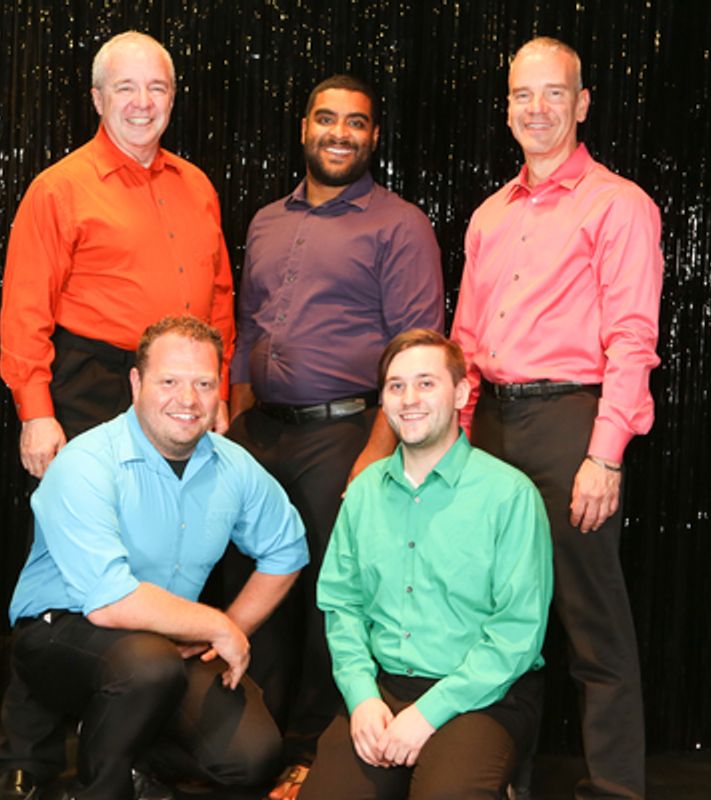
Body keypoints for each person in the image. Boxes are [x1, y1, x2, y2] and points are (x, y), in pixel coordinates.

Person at [451, 37, 664, 800]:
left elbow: (632, 338)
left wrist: (604, 455)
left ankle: (615, 789)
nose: (536, 109)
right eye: (522, 95)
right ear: (506, 107)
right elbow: (464, 342)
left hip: (571, 423)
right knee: (497, 620)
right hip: (491, 425)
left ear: (582, 104)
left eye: (553, 93)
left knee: (591, 620)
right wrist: (455, 442)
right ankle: (501, 779)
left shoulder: (619, 204)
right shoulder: (488, 215)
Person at [226, 74, 444, 797]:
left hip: (345, 434)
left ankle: (312, 751)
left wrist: (374, 454)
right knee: (253, 589)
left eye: (355, 122)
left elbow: (415, 347)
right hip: (259, 434)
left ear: (374, 136)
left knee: (332, 600)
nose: (339, 133)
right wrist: (234, 429)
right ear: (304, 128)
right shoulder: (266, 220)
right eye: (327, 118)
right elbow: (248, 330)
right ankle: (244, 747)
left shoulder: (400, 225)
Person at [0, 316, 308, 800]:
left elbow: (286, 549)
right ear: (136, 384)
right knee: (147, 665)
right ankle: (98, 790)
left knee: (252, 756)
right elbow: (109, 602)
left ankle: (130, 754)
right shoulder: (87, 462)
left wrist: (229, 626)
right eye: (170, 382)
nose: (188, 400)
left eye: (204, 384)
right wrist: (217, 626)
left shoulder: (233, 465)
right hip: (61, 633)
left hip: (164, 642)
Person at [301, 329, 552, 799]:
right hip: (384, 686)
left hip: (482, 695)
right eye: (396, 386)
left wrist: (427, 714)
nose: (409, 399)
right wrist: (361, 696)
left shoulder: (510, 495)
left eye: (426, 383)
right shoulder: (363, 492)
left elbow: (517, 633)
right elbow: (342, 605)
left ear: (460, 393)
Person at [0, 31, 235, 480]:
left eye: (156, 88)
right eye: (125, 87)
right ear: (97, 99)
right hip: (92, 388)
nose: (142, 102)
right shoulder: (58, 189)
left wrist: (217, 389)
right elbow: (24, 313)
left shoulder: (198, 187)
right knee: (92, 517)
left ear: (172, 98)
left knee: (177, 517)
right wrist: (36, 414)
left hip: (183, 392)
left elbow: (221, 297)